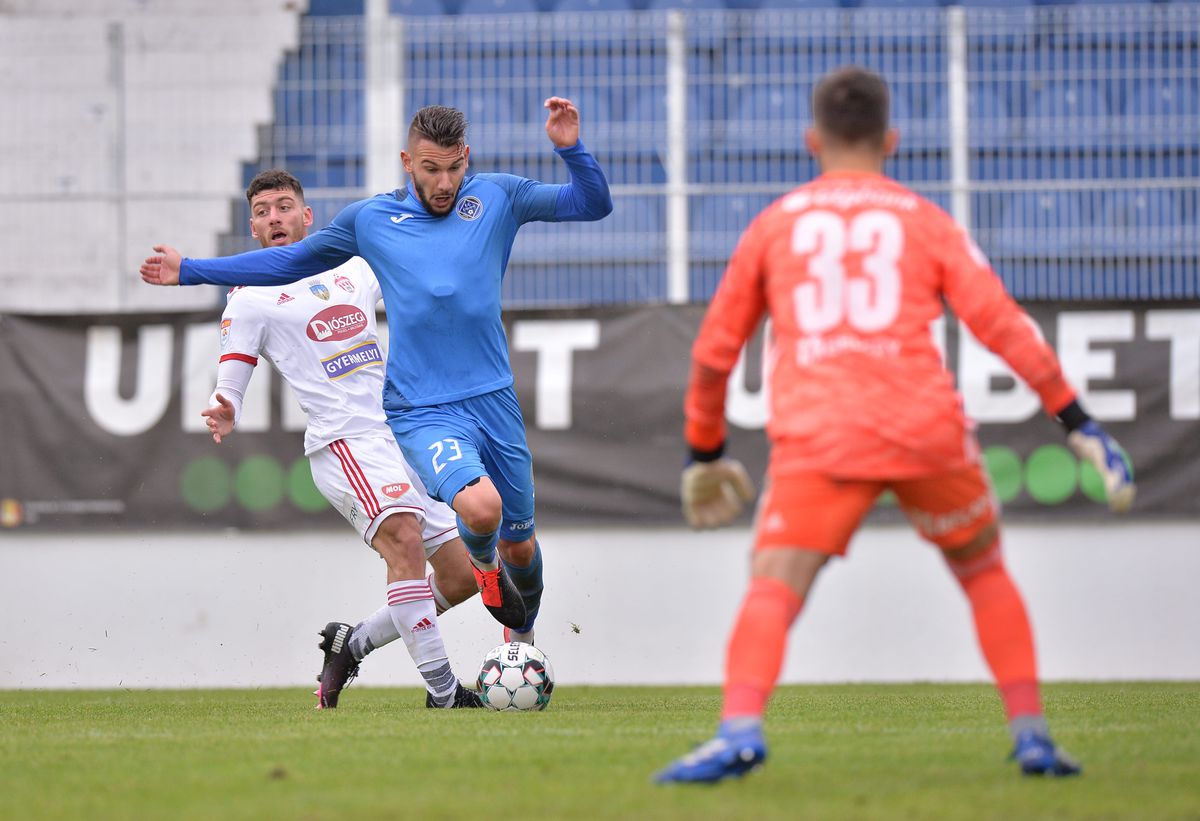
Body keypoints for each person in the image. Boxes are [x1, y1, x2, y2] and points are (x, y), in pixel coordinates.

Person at [655, 66, 1135, 784]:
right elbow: (1003, 324)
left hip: (822, 436)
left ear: (811, 139)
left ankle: (738, 730)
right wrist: (1077, 420)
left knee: (774, 584)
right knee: (983, 571)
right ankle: (1032, 734)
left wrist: (703, 451)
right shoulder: (924, 220)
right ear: (892, 139)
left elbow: (714, 352)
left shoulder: (775, 224)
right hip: (925, 428)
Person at [143, 98, 612, 649]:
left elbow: (592, 203)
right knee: (480, 512)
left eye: (453, 168)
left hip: (494, 397)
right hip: (420, 407)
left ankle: (520, 646)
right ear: (406, 162)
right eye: (429, 168)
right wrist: (192, 271)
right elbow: (290, 263)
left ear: (467, 158)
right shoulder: (371, 221)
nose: (443, 182)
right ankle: (486, 581)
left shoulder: (498, 196)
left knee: (523, 548)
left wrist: (570, 148)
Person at [203, 168, 484, 709]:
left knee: (462, 573)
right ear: (254, 229)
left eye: (284, 206)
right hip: (344, 442)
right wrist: (226, 405)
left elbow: (407, 269)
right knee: (402, 539)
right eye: (262, 212)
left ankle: (351, 644)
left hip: (401, 433)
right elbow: (233, 367)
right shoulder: (249, 297)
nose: (274, 218)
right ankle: (445, 695)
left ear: (306, 216)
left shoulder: (351, 266)